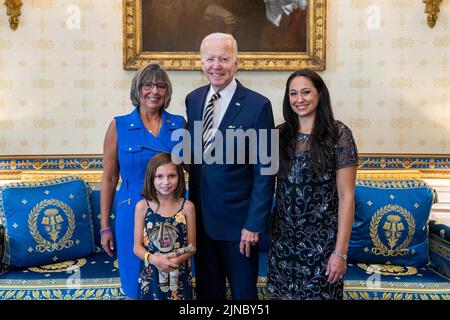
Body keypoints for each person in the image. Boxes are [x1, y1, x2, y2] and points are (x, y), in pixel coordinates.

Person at [185, 32, 275, 300]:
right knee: (207, 295)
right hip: (201, 223)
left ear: (236, 62)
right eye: (210, 58)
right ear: (201, 62)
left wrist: (254, 224)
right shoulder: (193, 99)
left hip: (240, 227)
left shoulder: (259, 106)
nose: (217, 65)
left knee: (244, 297)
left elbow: (266, 171)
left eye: (224, 59)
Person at [267, 69, 358, 300]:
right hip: (283, 244)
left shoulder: (339, 134)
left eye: (306, 92)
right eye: (293, 93)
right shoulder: (279, 134)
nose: (299, 99)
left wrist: (340, 253)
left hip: (322, 245)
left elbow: (347, 196)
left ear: (319, 93)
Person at [100, 62, 185, 299]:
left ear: (167, 92)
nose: (154, 91)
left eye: (160, 86)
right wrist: (105, 226)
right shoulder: (118, 126)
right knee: (134, 280)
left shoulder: (178, 124)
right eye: (148, 85)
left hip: (172, 212)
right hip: (131, 211)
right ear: (137, 89)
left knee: (171, 281)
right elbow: (108, 178)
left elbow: (195, 169)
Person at [133, 152, 196, 300]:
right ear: (151, 178)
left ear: (179, 177)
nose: (166, 182)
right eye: (159, 176)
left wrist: (174, 260)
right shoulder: (142, 206)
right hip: (150, 276)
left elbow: (192, 247)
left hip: (178, 275)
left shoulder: (187, 207)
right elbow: (137, 247)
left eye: (171, 176)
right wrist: (155, 259)